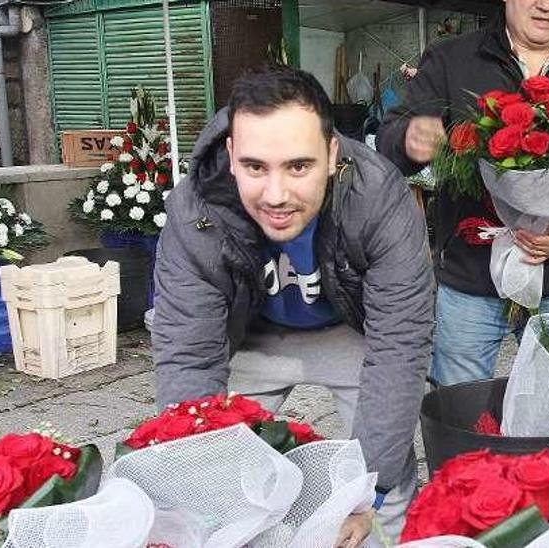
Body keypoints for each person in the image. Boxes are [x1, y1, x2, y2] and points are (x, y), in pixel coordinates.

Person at [150, 66, 433, 546]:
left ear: (332, 155)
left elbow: (399, 347)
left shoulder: (380, 197)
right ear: (231, 156)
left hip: (347, 329)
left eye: (299, 167)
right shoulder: (193, 211)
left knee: (387, 471)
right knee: (212, 473)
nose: (276, 196)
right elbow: (188, 351)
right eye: (256, 167)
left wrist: (370, 493)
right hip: (251, 335)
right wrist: (198, 477)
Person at [377, 0, 549, 386]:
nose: (545, 5)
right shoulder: (451, 59)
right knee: (460, 407)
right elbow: (390, 137)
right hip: (471, 283)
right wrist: (409, 139)